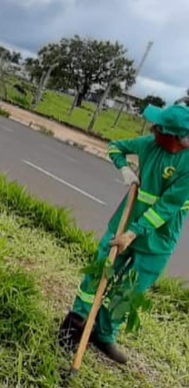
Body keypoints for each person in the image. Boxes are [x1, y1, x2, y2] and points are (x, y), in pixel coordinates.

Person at [59, 103, 189, 364]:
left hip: (157, 240)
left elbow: (166, 207)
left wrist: (135, 232)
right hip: (122, 226)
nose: (152, 130)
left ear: (176, 138)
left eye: (159, 129)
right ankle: (74, 326)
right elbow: (115, 146)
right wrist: (125, 170)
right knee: (99, 274)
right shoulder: (148, 144)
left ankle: (103, 334)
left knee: (129, 290)